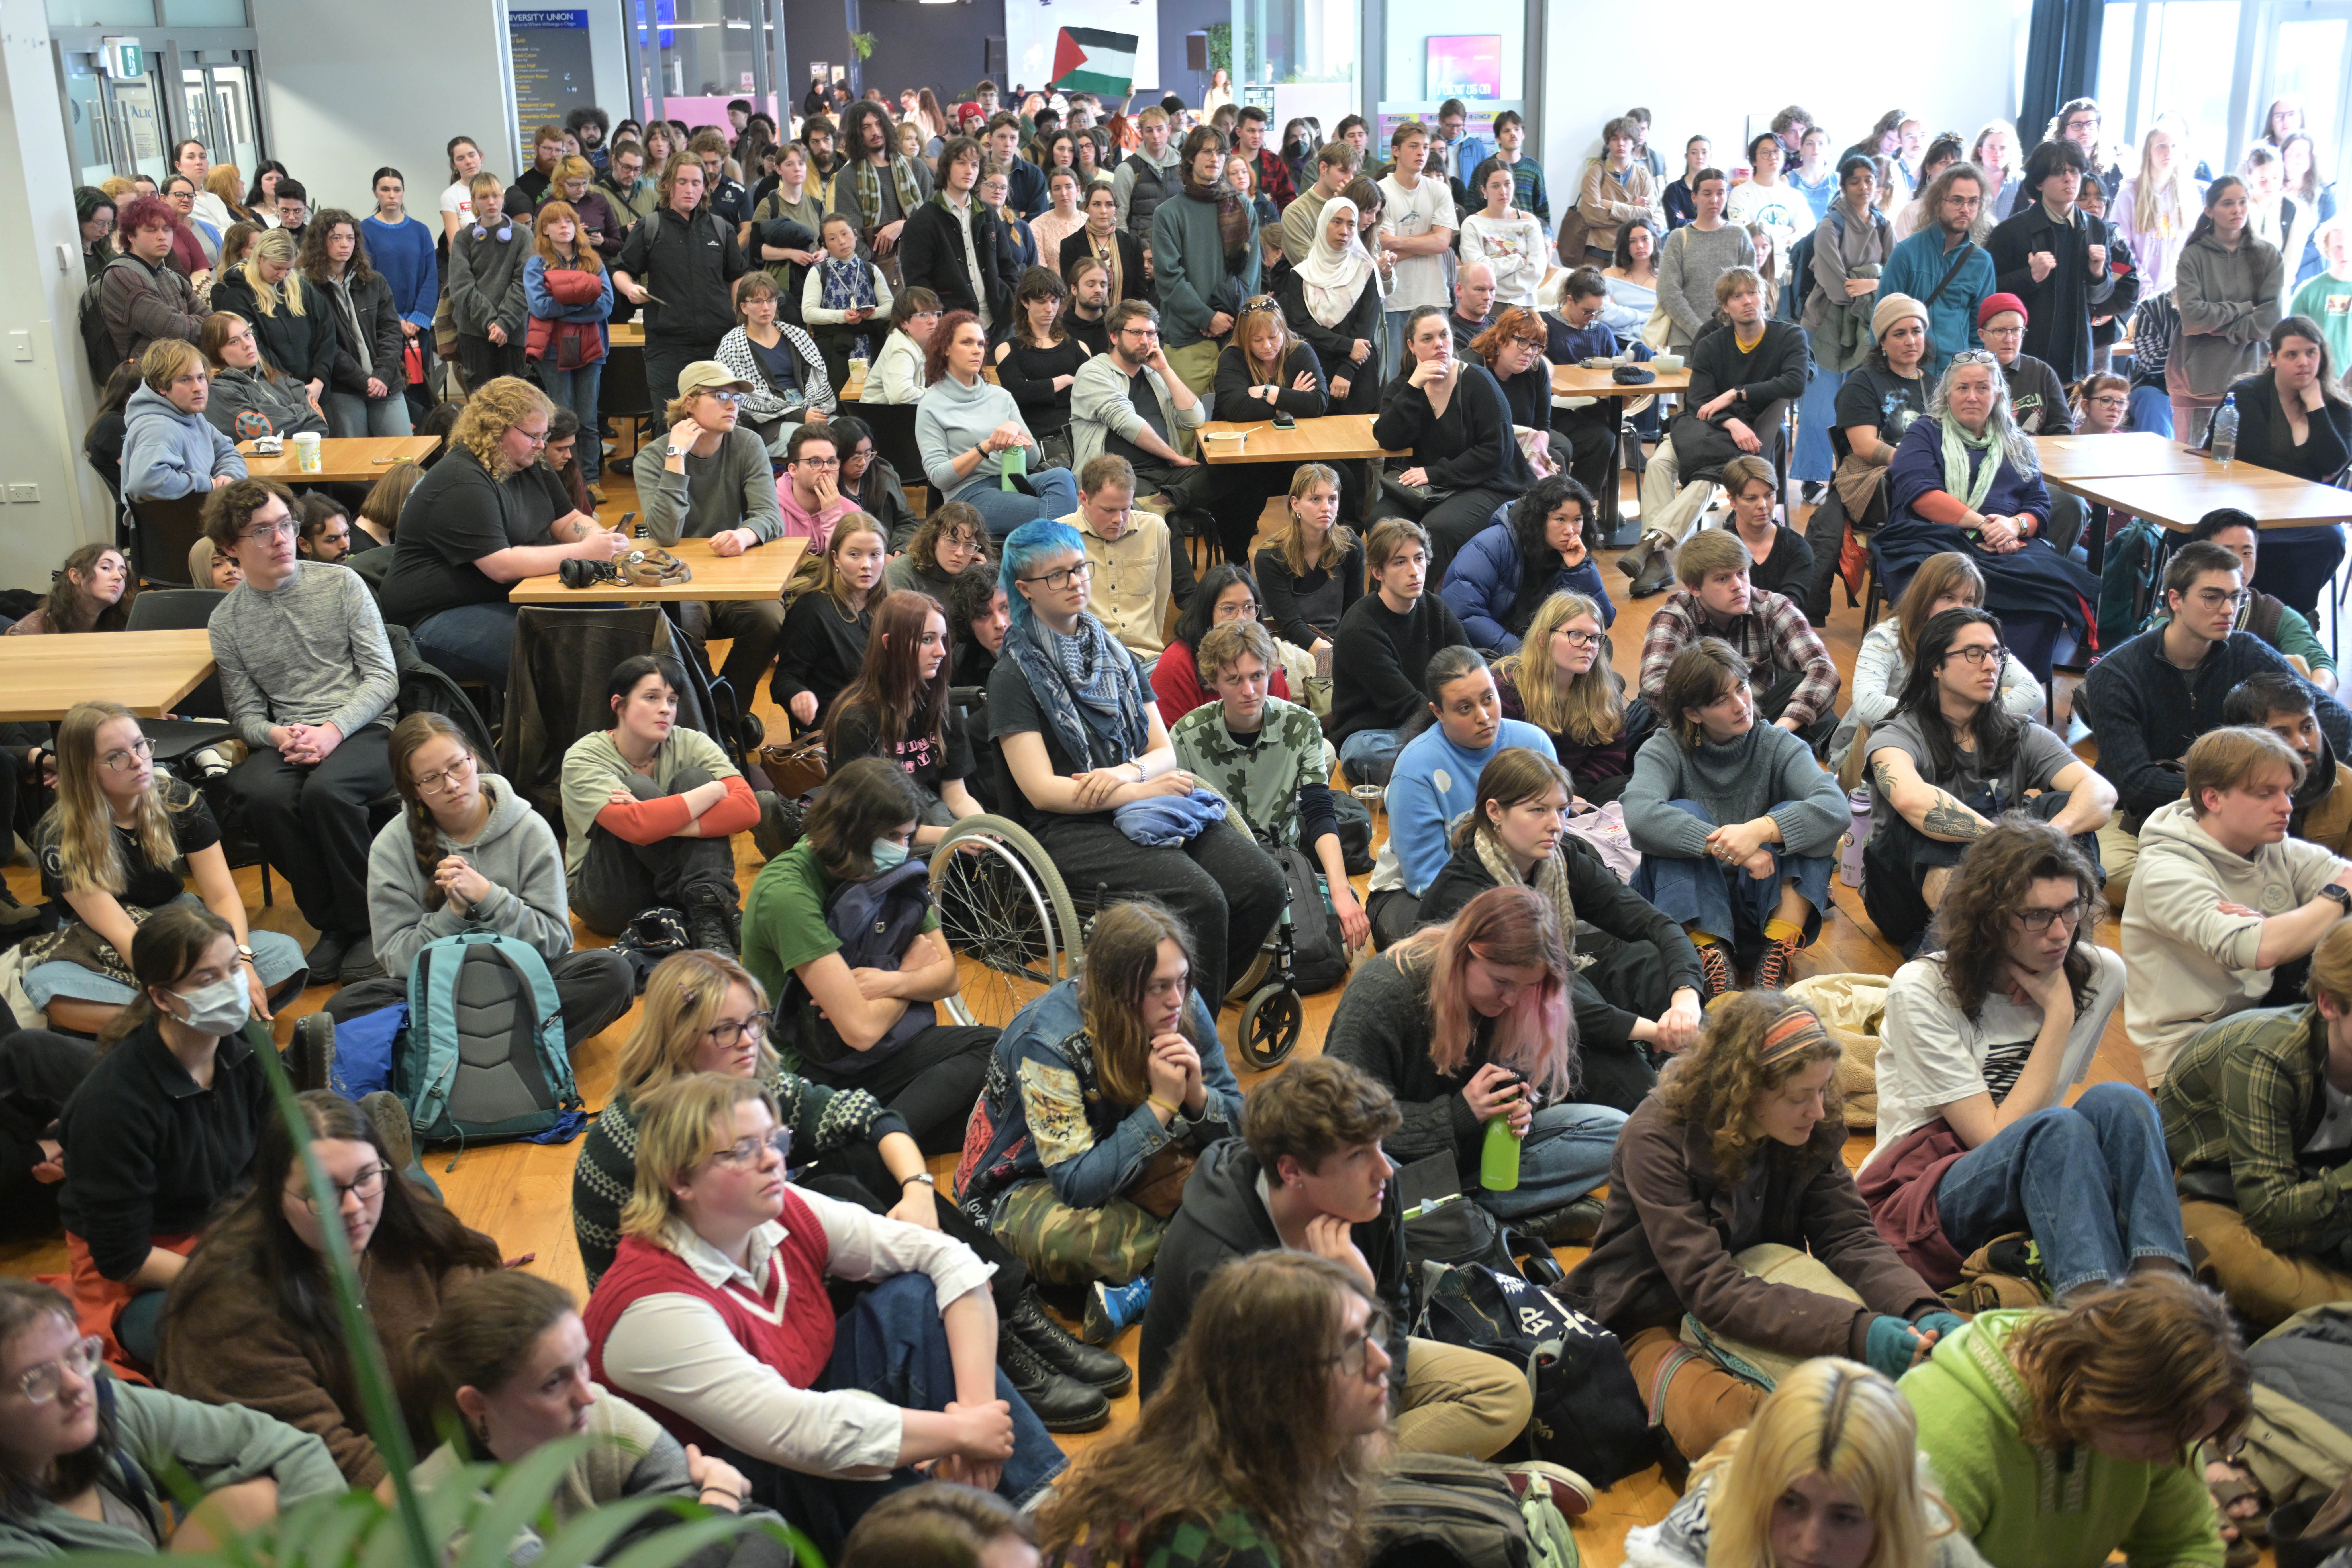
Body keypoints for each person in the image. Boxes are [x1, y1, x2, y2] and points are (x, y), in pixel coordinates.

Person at [582, 1072, 1062, 1560]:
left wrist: (979, 1416)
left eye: (775, 1139)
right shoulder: (651, 1304)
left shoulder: (778, 1210)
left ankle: (1046, 1526)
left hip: (798, 1431)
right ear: (680, 1179)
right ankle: (964, 1544)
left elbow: (948, 1256)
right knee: (830, 1450)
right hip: (712, 1510)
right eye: (745, 1148)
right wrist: (959, 1433)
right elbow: (802, 1432)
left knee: (910, 1299)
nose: (773, 1158)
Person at [1569, 990, 1955, 1464]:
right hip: (1650, 1317)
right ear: (1744, 1090)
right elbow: (1708, 1286)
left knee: (1897, 1396)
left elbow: (1850, 1235)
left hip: (1758, 1289)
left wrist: (1919, 1307)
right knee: (1769, 1440)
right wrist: (1859, 1332)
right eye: (1799, 1096)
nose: (1818, 1109)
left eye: (1822, 1089)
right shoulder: (1657, 1136)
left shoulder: (1809, 1122)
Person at [1140, 1057, 1541, 1465]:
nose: (1384, 1169)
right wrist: (1356, 1297)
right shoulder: (1221, 1262)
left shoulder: (1371, 1194)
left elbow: (1395, 1305)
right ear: (1291, 1170)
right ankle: (1405, 1489)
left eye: (1380, 1145)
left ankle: (1389, 1482)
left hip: (1340, 1360)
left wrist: (1383, 1413)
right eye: (1357, 1156)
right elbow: (1264, 1422)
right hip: (1228, 1438)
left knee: (1505, 1392)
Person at [1861, 810, 2176, 1302]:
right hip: (1923, 1188)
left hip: (2039, 1156)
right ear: (1988, 917)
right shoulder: (1923, 987)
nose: (2060, 933)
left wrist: (2063, 1003)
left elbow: (2042, 1115)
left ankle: (2168, 1293)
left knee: (2122, 1100)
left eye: (2071, 908)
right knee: (2060, 1127)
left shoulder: (2100, 972)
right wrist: (2058, 1015)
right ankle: (2094, 1314)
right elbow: (1992, 1137)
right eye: (2036, 915)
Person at [156, 1088, 501, 1490]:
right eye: (323, 1191)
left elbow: (467, 1258)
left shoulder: (399, 1215)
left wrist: (467, 1334)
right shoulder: (230, 1304)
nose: (354, 1206)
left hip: (442, 1446)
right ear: (274, 1194)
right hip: (329, 1499)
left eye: (367, 1177)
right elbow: (328, 1458)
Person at [1038, 1253, 1384, 1568]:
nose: (1381, 1360)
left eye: (1373, 1332)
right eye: (1352, 1347)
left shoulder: (1243, 1461)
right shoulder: (1222, 1544)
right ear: (1279, 1385)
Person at [1326, 882, 1625, 1240]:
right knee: (1362, 1186)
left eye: (1526, 987)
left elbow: (1527, 1086)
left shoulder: (1516, 998)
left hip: (1469, 1166)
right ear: (1466, 952)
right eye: (1501, 981)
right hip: (1391, 1160)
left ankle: (1461, 1224)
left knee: (1617, 1133)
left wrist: (1519, 1107)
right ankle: (1499, 1227)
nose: (1513, 1000)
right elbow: (1341, 1129)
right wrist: (1461, 1113)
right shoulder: (1383, 995)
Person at [53, 904, 275, 1369]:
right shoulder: (114, 1103)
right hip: (146, 1271)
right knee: (238, 1330)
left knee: (392, 1201)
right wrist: (238, 1275)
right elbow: (123, 1256)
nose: (230, 986)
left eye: (234, 967)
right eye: (205, 978)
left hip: (228, 1224)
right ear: (162, 997)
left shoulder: (249, 1048)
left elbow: (277, 1158)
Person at [1416, 747, 1701, 1107]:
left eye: (1562, 809)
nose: (1556, 823)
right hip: (1493, 1029)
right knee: (1637, 1087)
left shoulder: (1560, 859)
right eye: (1538, 810)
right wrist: (1650, 1029)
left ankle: (1685, 1068)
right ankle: (1659, 1081)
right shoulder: (1466, 891)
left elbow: (1656, 923)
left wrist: (1686, 997)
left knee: (1649, 958)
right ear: (1495, 812)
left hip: (1559, 1003)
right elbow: (1531, 995)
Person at [1903, 1275, 2247, 1568]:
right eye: (2166, 1437)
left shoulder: (2156, 1421)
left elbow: (2187, 1546)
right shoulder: (1943, 1431)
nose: (2168, 1457)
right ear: (2114, 1389)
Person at [201, 477, 400, 983]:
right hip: (292, 735)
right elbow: (245, 715)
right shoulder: (227, 621)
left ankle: (367, 924)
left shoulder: (341, 583)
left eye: (285, 525)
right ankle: (331, 922)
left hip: (364, 727)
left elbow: (383, 678)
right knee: (256, 791)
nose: (281, 539)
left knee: (328, 793)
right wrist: (278, 736)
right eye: (261, 531)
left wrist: (332, 731)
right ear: (230, 548)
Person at [2080, 542, 2352, 904]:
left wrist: (2279, 779)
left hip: (2254, 795)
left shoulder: (2247, 649)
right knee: (2114, 876)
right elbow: (2136, 781)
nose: (2228, 609)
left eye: (2234, 597)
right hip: (2146, 810)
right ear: (2175, 599)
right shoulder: (2115, 675)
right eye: (2212, 597)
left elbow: (2333, 717)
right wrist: (2231, 794)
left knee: (2340, 788)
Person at [0, 1275, 346, 1556]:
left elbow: (286, 1443)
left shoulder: (109, 1403)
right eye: (39, 1378)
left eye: (76, 1355)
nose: (77, 1385)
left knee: (255, 1501)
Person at [23, 694, 304, 1036]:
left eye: (141, 745)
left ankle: (164, 1028)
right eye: (116, 757)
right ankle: (208, 1022)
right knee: (50, 988)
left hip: (177, 923)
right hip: (106, 943)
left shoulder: (178, 799)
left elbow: (222, 897)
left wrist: (240, 960)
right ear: (84, 770)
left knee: (285, 954)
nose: (139, 762)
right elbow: (122, 934)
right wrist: (188, 988)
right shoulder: (61, 835)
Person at [1861, 607, 2114, 953]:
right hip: (1903, 897)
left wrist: (2051, 834)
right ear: (1936, 665)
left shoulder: (2019, 731)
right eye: (1974, 654)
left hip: (2006, 885)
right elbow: (1911, 799)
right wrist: (2008, 841)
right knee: (1924, 824)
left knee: (2059, 805)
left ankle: (2071, 947)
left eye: (1996, 653)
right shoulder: (1897, 734)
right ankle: (1956, 963)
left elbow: (2101, 792)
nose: (1992, 665)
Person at [2123, 724, 2352, 1085]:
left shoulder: (2271, 844)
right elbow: (2260, 949)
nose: (2286, 806)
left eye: (2288, 792)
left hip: (2261, 1010)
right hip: (2188, 1045)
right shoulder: (2166, 871)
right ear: (2213, 798)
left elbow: (2345, 876)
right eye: (2266, 794)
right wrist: (2337, 897)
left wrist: (2278, 927)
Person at [2159, 919, 2352, 1328]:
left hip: (2322, 1187)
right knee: (2246, 1270)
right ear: (2330, 1004)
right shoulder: (2265, 1056)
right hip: (2219, 1191)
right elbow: (2271, 1216)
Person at [1624, 640, 1847, 994]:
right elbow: (1639, 816)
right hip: (1685, 914)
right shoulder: (1664, 748)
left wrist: (1760, 830)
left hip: (1759, 910)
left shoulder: (1777, 743)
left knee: (1798, 820)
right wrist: (1727, 846)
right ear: (1693, 714)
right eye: (1720, 700)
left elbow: (1836, 807)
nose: (1741, 705)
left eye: (1741, 688)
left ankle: (1773, 960)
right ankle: (1711, 962)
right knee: (1681, 813)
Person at [381, 376, 623, 697]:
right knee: (552, 651)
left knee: (616, 619)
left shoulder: (531, 461)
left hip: (501, 598)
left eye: (544, 435)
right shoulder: (462, 480)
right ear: (496, 430)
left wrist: (600, 539)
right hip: (432, 619)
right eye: (533, 436)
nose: (541, 445)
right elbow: (501, 565)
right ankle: (556, 742)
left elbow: (568, 521)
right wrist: (586, 552)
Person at [1873, 349, 2095, 685]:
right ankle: (1941, 689)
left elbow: (2039, 503)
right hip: (1931, 536)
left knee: (2049, 594)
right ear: (1947, 393)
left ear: (1998, 395)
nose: (1972, 396)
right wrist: (1983, 525)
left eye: (1982, 388)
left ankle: (2009, 698)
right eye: (1962, 388)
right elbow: (1920, 496)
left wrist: (2014, 525)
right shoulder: (1925, 433)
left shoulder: (2016, 442)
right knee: (1942, 587)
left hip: (2007, 542)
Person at [1624, 1357, 1975, 1568]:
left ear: (1888, 1518)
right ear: (1757, 1491)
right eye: (1790, 1503)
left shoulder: (1924, 1531)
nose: (1812, 1543)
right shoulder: (1697, 1533)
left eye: (1844, 1516)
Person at [1617, 268, 1812, 595]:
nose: (1748, 301)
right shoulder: (1711, 344)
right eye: (1737, 296)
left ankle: (1651, 546)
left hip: (1751, 435)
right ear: (1725, 307)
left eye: (1753, 293)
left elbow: (1796, 381)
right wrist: (1730, 419)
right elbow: (1698, 402)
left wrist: (1737, 394)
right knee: (1658, 464)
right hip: (1706, 427)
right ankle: (1658, 557)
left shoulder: (1790, 337)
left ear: (1764, 297)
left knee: (1707, 477)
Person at [1168, 616, 1363, 943]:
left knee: (1340, 918)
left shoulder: (1301, 725)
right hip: (1218, 868)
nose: (1249, 691)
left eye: (1258, 677)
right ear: (1213, 680)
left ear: (1271, 671)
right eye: (1234, 680)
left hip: (1284, 860)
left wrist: (1342, 888)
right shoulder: (1187, 736)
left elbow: (1318, 809)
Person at [560, 653, 758, 952]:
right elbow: (636, 826)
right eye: (651, 697)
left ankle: (707, 915)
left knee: (695, 776)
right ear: (619, 705)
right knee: (639, 786)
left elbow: (748, 808)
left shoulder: (690, 742)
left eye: (673, 700)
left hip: (674, 891)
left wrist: (665, 819)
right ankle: (714, 907)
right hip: (609, 897)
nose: (665, 709)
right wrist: (713, 792)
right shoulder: (584, 756)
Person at [1833, 551, 2042, 771]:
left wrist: (1970, 721)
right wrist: (1952, 717)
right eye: (1948, 598)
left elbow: (2033, 693)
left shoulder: (1980, 640)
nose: (1959, 609)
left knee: (1997, 701)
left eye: (1968, 600)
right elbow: (1867, 705)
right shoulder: (1887, 638)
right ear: (1924, 598)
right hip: (1873, 753)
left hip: (1947, 749)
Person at [2203, 317, 2352, 624]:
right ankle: (2246, 614)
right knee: (2227, 539)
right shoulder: (2247, 395)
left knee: (2331, 539)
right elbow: (2254, 460)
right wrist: (2310, 474)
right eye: (2292, 355)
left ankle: (2293, 618)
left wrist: (2315, 405)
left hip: (2304, 512)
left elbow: (2334, 463)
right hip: (2242, 505)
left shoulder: (2337, 407)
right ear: (2273, 359)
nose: (2304, 363)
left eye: (2312, 353)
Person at [1637, 530, 1840, 753]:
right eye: (1723, 578)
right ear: (1694, 588)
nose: (1738, 586)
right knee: (1646, 717)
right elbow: (1654, 684)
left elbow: (1824, 669)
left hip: (1758, 716)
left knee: (1802, 690)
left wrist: (1781, 730)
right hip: (1703, 724)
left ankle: (1838, 759)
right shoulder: (1675, 616)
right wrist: (1713, 720)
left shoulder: (1771, 607)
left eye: (1742, 573)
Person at [1372, 305, 1533, 579]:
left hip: (1489, 483)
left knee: (1437, 530)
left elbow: (1497, 452)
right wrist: (1414, 389)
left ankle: (1421, 610)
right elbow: (1388, 438)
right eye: (1428, 339)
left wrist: (1435, 473)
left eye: (1444, 336)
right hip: (1426, 488)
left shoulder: (1478, 381)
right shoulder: (1403, 387)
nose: (1439, 345)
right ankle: (1384, 610)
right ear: (1412, 345)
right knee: (1382, 524)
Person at [1328, 519, 1470, 782]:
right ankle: (1456, 764)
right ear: (1378, 573)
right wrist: (1462, 729)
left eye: (1419, 559)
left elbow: (1470, 670)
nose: (1414, 571)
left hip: (1436, 722)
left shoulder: (1436, 609)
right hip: (1378, 732)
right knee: (1364, 754)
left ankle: (1439, 767)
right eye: (1400, 562)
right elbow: (1405, 704)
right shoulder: (1360, 628)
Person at [918, 311, 1078, 536]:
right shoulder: (931, 404)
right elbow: (939, 478)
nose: (977, 350)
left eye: (981, 344)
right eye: (967, 343)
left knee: (1062, 477)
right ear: (946, 349)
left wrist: (1017, 431)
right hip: (969, 494)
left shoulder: (1000, 396)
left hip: (1013, 481)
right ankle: (1059, 560)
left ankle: (1050, 557)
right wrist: (987, 447)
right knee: (1059, 513)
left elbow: (1033, 460)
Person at [613, 153, 751, 408]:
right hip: (667, 347)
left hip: (718, 343)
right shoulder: (650, 227)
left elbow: (736, 278)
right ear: (667, 184)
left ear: (705, 187)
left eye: (696, 183)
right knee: (670, 422)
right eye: (682, 182)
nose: (690, 190)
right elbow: (621, 271)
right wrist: (630, 288)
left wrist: (741, 320)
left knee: (722, 419)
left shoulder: (722, 229)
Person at [1204, 296, 1328, 563]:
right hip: (1242, 457)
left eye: (1273, 337)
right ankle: (1237, 562)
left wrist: (1267, 392)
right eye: (1257, 340)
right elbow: (1237, 409)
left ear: (1283, 330)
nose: (1267, 347)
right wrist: (1290, 400)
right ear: (1244, 338)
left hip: (1293, 453)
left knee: (1341, 481)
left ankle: (1323, 555)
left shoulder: (1300, 352)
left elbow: (1318, 403)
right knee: (1242, 493)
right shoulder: (1232, 357)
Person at [1986, 138, 2114, 386]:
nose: (2069, 179)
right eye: (2058, 172)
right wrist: (2029, 277)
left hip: (2078, 359)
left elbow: (2101, 299)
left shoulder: (2097, 227)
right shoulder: (2012, 231)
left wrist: (2098, 275)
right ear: (2039, 183)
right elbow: (1988, 291)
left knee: (2069, 425)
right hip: (2024, 358)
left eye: (2075, 171)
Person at [1440, 473, 1610, 655]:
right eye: (1560, 519)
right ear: (1539, 518)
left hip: (1542, 647)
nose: (1570, 531)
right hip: (1491, 652)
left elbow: (1603, 620)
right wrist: (1527, 655)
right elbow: (1464, 614)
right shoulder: (1491, 545)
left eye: (1577, 520)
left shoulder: (1574, 553)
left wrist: (1579, 570)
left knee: (1603, 649)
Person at [2172, 176, 2285, 445]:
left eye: (2243, 202)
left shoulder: (2269, 255)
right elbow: (2193, 316)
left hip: (2251, 377)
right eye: (2228, 204)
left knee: (2247, 467)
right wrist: (2245, 308)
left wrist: (2217, 326)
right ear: (2209, 211)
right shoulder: (2193, 255)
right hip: (2197, 380)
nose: (2238, 210)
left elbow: (2270, 320)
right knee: (2192, 469)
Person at [1069, 299, 1209, 515]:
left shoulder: (1154, 374)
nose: (1146, 341)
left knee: (1230, 472)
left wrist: (1166, 370)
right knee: (1164, 526)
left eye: (1151, 333)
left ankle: (1166, 500)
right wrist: (1174, 456)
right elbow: (1127, 422)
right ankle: (1164, 505)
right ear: (1114, 336)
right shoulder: (1094, 372)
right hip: (1118, 478)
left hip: (1165, 473)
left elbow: (1195, 420)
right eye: (1136, 332)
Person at [2177, 507, 2339, 691]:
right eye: (2226, 552)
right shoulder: (2180, 609)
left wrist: (2318, 697)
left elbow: (2319, 662)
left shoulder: (2270, 612)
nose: (2239, 564)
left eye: (2247, 553)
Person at [1152, 126, 1259, 395]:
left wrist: (1230, 318)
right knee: (1188, 429)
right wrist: (1207, 317)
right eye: (1207, 151)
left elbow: (1251, 274)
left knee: (1238, 429)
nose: (1215, 158)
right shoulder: (1168, 213)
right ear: (1190, 158)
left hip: (1236, 338)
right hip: (1188, 341)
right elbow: (1168, 278)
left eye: (1221, 152)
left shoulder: (1244, 209)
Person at [520, 199, 611, 485]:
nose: (564, 227)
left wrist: (565, 303)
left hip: (591, 349)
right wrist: (582, 301)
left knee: (588, 419)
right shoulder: (536, 264)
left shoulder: (593, 261)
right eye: (556, 222)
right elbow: (541, 308)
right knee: (561, 418)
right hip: (553, 351)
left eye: (569, 221)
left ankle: (591, 480)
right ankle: (564, 481)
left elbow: (605, 305)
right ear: (544, 229)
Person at [1879, 162, 1996, 381]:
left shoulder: (1982, 262)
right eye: (1957, 200)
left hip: (1954, 376)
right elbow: (1883, 318)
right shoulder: (1907, 253)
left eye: (1973, 202)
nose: (1966, 209)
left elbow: (1979, 332)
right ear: (1936, 204)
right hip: (1908, 373)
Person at [774, 512, 888, 726]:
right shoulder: (812, 609)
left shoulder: (891, 606)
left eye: (875, 555)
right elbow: (785, 679)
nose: (867, 565)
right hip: (839, 727)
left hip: (888, 720)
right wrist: (798, 695)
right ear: (835, 558)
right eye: (855, 555)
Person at [1148, 563, 1294, 724]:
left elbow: (1283, 721)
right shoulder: (1176, 663)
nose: (1241, 618)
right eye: (1230, 609)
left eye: (1249, 607)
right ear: (1207, 612)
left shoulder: (1266, 652)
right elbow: (1167, 739)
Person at [901, 137, 1016, 332]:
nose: (969, 171)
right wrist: (940, 317)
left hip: (998, 323)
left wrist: (1009, 297)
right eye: (961, 163)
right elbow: (918, 283)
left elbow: (1008, 265)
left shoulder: (988, 215)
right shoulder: (922, 221)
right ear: (946, 167)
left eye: (975, 165)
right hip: (951, 327)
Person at [717, 270, 834, 456]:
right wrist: (800, 416)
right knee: (817, 443)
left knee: (850, 433)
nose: (766, 307)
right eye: (757, 301)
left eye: (771, 300)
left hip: (809, 408)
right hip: (769, 425)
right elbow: (748, 397)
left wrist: (811, 410)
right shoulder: (732, 346)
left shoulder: (797, 336)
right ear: (744, 307)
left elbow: (816, 377)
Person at [1372, 123, 1454, 378]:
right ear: (1396, 151)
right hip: (1394, 299)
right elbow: (1383, 245)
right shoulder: (1380, 191)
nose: (1422, 152)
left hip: (1433, 296)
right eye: (1414, 146)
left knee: (1438, 375)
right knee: (1395, 377)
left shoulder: (1440, 191)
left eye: (1426, 147)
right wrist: (1427, 241)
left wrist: (1399, 242)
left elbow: (1443, 244)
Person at [120, 338, 245, 502]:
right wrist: (208, 485)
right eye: (185, 380)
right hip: (173, 524)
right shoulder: (158, 428)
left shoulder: (190, 415)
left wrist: (228, 477)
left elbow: (227, 452)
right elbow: (146, 483)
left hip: (198, 515)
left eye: (201, 378)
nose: (198, 388)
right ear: (161, 386)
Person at [1255, 464, 1360, 659]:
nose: (1326, 508)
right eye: (1315, 499)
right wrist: (1334, 658)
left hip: (1337, 643)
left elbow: (1354, 615)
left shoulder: (1351, 548)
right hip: (1288, 648)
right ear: (1296, 504)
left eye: (1333, 499)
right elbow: (1292, 627)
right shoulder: (1270, 557)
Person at [442, 175, 533, 388]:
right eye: (484, 197)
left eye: (495, 196)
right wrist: (492, 323)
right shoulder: (463, 239)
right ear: (473, 201)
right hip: (475, 333)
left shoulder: (522, 236)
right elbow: (461, 288)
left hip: (512, 332)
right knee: (481, 404)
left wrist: (504, 324)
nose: (491, 202)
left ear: (503, 198)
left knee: (515, 403)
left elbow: (523, 284)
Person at [95, 195, 204, 372]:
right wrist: (199, 325)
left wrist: (195, 323)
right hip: (150, 378)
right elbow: (174, 329)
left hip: (182, 369)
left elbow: (210, 319)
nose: (162, 237)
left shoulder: (169, 274)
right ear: (131, 236)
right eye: (151, 230)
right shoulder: (120, 275)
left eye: (167, 230)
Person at [360, 168, 437, 415]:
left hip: (417, 328)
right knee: (392, 390)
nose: (391, 195)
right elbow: (368, 280)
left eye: (397, 190)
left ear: (404, 193)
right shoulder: (364, 231)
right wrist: (397, 321)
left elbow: (431, 278)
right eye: (385, 190)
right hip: (384, 327)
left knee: (420, 392)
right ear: (375, 193)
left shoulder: (421, 231)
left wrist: (416, 319)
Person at [1654, 168, 1756, 354]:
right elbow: (1668, 294)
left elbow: (1751, 293)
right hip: (1686, 343)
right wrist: (1702, 334)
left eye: (1721, 193)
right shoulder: (1678, 238)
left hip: (1734, 342)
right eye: (1707, 194)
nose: (1714, 200)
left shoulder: (1740, 237)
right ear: (1694, 197)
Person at [991, 266, 1085, 467]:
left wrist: (1038, 389)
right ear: (1026, 302)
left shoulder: (1077, 347)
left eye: (1054, 301)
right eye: (1042, 302)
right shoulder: (1008, 349)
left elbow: (1094, 391)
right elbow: (1019, 394)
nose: (1050, 309)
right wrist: (1068, 380)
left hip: (1082, 436)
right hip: (1037, 443)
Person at [197, 309, 324, 445]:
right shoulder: (218, 390)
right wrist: (302, 413)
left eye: (247, 335)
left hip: (306, 453)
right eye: (234, 342)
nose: (247, 345)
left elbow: (319, 421)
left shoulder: (272, 375)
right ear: (219, 353)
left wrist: (297, 423)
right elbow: (268, 431)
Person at [1975, 293, 2075, 443]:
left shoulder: (2042, 373)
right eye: (2000, 331)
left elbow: (2063, 428)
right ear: (1982, 335)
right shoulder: (1966, 372)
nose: (2009, 340)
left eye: (2016, 331)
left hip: (2034, 457)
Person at [1719, 453, 1815, 603]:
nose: (1763, 505)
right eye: (1751, 499)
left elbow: (1791, 607)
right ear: (1732, 501)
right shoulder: (1719, 549)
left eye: (1769, 495)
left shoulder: (1797, 547)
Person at [1459, 163, 1549, 311]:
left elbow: (1537, 271)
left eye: (1508, 184)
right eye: (1496, 186)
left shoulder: (1530, 222)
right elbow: (1477, 273)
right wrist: (1519, 261)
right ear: (1484, 190)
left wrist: (1496, 278)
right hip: (1488, 306)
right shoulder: (1472, 224)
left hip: (1524, 305)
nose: (1504, 192)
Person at [4, 543, 131, 638]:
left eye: (123, 574)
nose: (118, 577)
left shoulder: (122, 624)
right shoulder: (33, 630)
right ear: (76, 576)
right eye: (106, 568)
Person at [1061, 182, 1146, 314]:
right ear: (1086, 207)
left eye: (1109, 205)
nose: (1103, 211)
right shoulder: (1070, 245)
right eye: (1097, 204)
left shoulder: (1132, 243)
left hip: (1126, 321)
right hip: (1087, 322)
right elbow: (1071, 293)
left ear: (1116, 208)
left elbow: (1140, 293)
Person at [863, 286, 943, 404]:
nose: (932, 321)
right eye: (923, 315)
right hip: (879, 419)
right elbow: (900, 396)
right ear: (903, 323)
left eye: (935, 314)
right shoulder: (901, 348)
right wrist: (937, 394)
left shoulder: (920, 340)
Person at [436, 136, 485, 241]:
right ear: (454, 165)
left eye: (472, 155)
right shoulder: (450, 196)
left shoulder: (498, 190)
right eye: (461, 159)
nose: (469, 162)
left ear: (480, 156)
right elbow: (455, 245)